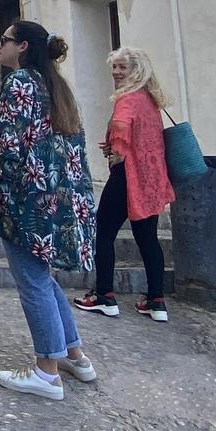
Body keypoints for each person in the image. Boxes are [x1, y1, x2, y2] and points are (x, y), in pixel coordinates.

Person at [0, 21, 99, 400]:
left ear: (23, 46)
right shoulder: (56, 86)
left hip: (26, 197)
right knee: (43, 279)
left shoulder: (18, 83)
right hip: (58, 196)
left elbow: (4, 138)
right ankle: (74, 354)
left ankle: (47, 371)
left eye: (5, 41)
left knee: (32, 281)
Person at [79, 47, 175, 322]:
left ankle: (104, 295)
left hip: (127, 175)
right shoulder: (150, 99)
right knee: (147, 238)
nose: (116, 73)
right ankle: (156, 301)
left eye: (122, 67)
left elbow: (121, 128)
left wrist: (116, 153)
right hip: (151, 176)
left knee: (104, 231)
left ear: (137, 70)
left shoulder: (127, 99)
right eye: (114, 68)